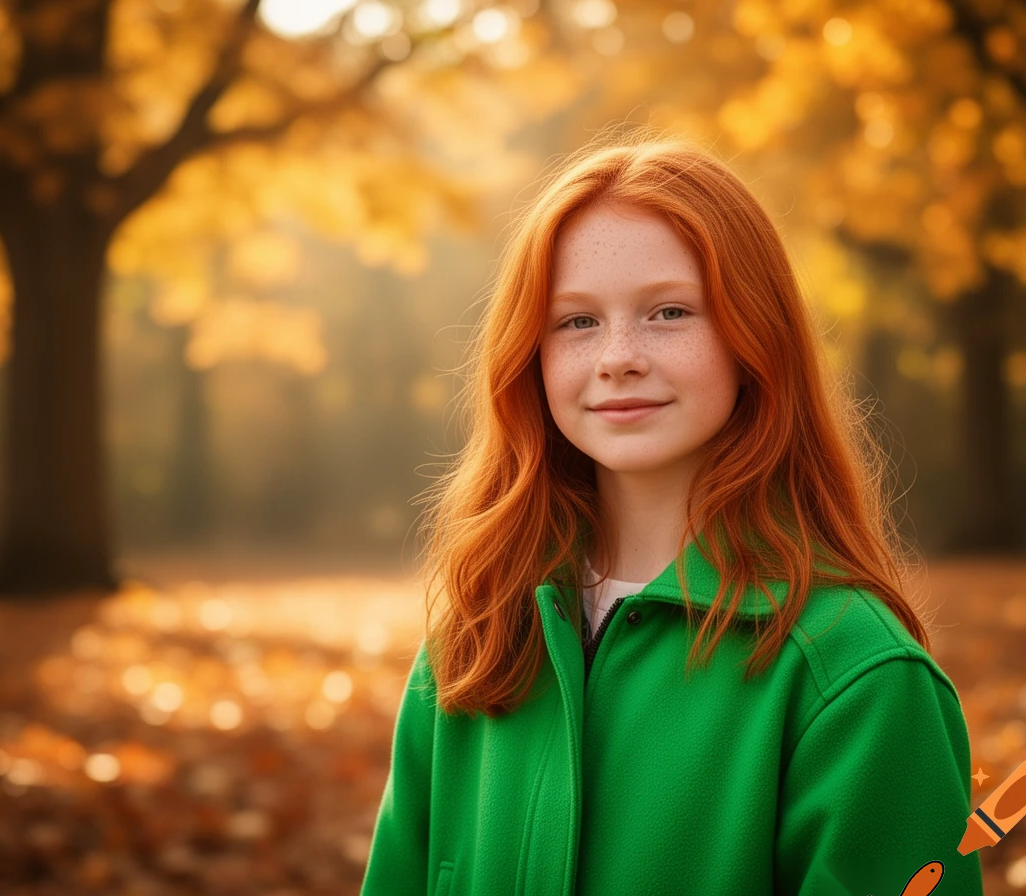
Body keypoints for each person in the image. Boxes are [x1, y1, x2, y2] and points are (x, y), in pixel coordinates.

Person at [360, 126, 984, 895]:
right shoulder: (475, 640)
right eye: (577, 321)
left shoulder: (857, 677)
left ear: (755, 338)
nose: (618, 355)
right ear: (531, 356)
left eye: (669, 313)